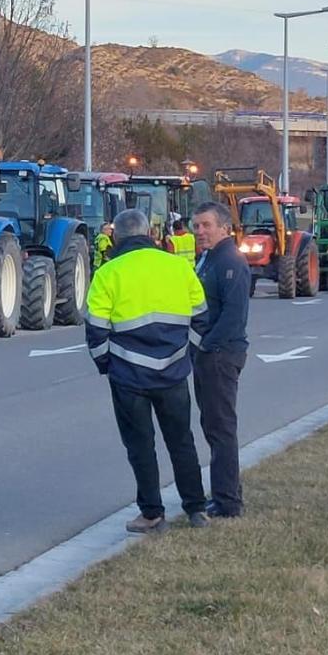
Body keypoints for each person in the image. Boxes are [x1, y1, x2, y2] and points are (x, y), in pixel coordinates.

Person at [87, 207, 212, 533]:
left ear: (116, 236)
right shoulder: (178, 268)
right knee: (182, 441)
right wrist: (188, 355)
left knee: (140, 446)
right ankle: (197, 509)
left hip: (128, 375)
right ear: (151, 234)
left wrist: (106, 365)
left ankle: (152, 513)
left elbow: (96, 328)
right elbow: (201, 315)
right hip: (173, 372)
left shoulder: (108, 273)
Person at [190, 201, 251, 518]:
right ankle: (222, 493)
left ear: (224, 227)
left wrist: (206, 346)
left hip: (220, 355)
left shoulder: (231, 261)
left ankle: (228, 502)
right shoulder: (208, 260)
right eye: (196, 225)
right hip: (206, 355)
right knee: (212, 426)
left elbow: (233, 316)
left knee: (222, 428)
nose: (200, 231)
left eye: (206, 225)